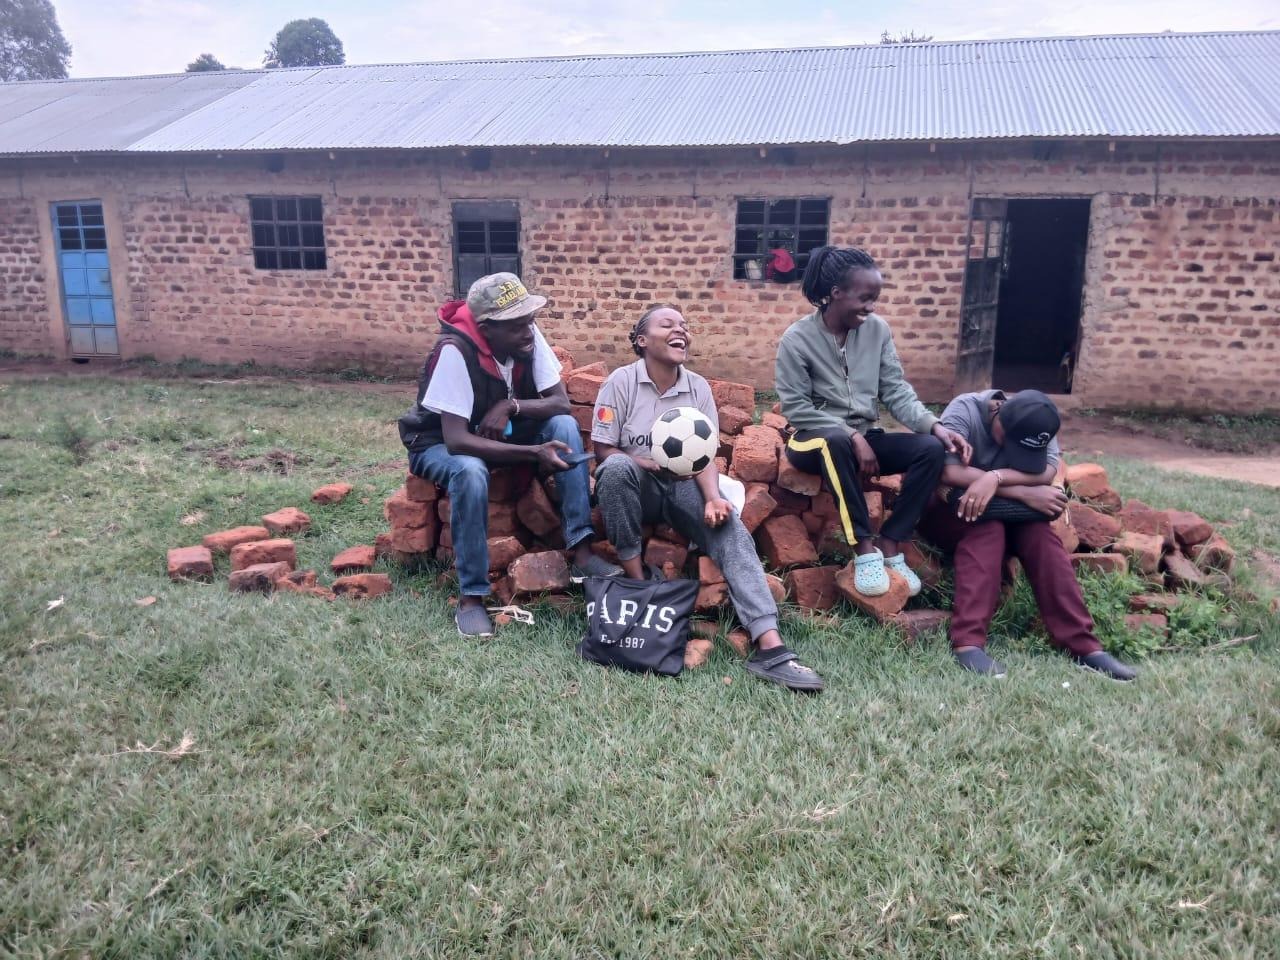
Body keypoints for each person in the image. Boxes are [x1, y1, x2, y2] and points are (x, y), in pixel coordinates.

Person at [591, 305, 824, 692]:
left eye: (684, 326)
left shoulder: (696, 387)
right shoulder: (621, 381)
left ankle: (770, 646)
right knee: (615, 469)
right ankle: (639, 585)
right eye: (668, 324)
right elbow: (603, 449)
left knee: (729, 526)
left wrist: (714, 498)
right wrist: (642, 463)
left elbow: (704, 459)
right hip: (638, 483)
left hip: (684, 484)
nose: (680, 330)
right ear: (642, 340)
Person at [399, 272, 621, 637]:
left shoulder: (526, 337)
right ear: (487, 329)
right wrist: (533, 452)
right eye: (516, 325)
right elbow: (457, 440)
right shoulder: (455, 351)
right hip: (437, 443)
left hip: (500, 433)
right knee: (470, 471)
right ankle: (472, 596)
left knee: (564, 426)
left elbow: (559, 402)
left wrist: (510, 405)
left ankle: (581, 552)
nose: (527, 331)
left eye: (529, 320)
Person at [774, 246, 971, 598]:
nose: (871, 307)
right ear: (836, 293)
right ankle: (864, 548)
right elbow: (796, 407)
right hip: (811, 439)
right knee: (835, 441)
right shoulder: (797, 339)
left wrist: (935, 426)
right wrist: (851, 434)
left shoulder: (877, 331)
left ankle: (891, 542)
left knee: (929, 449)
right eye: (865, 298)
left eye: (875, 299)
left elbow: (895, 390)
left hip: (865, 436)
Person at [936, 388, 1137, 681]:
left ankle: (1084, 647)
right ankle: (968, 643)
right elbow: (949, 473)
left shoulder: (1040, 420)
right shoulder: (965, 410)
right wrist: (1020, 492)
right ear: (998, 419)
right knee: (988, 528)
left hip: (1008, 509)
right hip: (955, 507)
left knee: (1040, 535)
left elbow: (1046, 472)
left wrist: (996, 478)